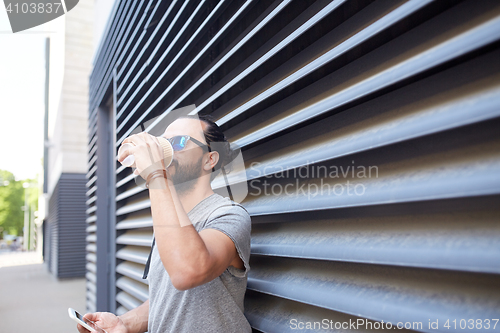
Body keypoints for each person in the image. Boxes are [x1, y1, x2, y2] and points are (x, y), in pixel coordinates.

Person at [77, 115, 252, 333]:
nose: (163, 149)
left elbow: (187, 271)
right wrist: (124, 323)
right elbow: (169, 298)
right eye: (163, 141)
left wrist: (155, 173)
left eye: (178, 142)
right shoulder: (169, 218)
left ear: (210, 159)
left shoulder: (230, 215)